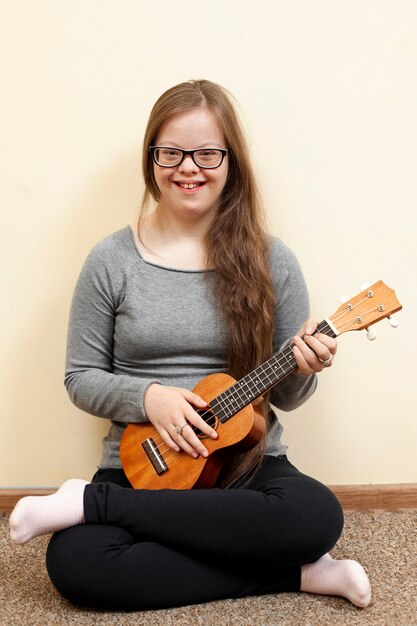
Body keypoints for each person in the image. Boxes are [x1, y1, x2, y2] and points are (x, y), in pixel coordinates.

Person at [9, 79, 371, 611]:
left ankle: (91, 504)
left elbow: (288, 397)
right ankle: (299, 575)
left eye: (207, 152)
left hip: (245, 463)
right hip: (142, 464)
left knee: (317, 516)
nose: (188, 167)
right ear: (151, 158)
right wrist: (150, 396)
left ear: (231, 162)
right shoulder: (110, 261)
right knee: (77, 565)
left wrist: (304, 366)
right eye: (171, 151)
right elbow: (80, 376)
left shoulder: (274, 262)